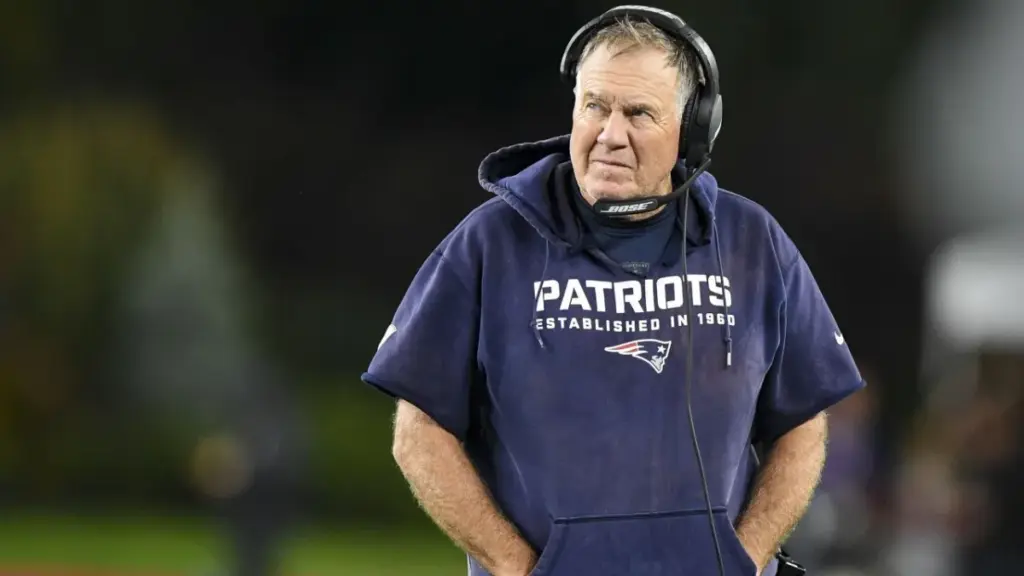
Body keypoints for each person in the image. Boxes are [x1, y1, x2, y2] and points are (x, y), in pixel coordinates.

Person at [362, 6, 864, 576]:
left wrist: (743, 560)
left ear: (692, 129)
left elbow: (802, 420)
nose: (610, 135)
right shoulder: (490, 243)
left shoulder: (752, 243)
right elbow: (419, 429)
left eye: (639, 113)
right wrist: (512, 564)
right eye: (594, 106)